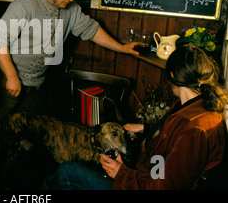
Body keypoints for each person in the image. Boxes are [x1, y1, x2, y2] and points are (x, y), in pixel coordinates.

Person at [47, 44, 227, 190]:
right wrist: (146, 129)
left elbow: (163, 185)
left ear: (172, 75)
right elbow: (170, 151)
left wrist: (122, 174)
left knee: (67, 171)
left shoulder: (195, 130)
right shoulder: (198, 105)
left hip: (142, 184)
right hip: (144, 176)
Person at [0, 0, 139, 126]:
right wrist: (11, 76)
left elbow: (92, 30)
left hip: (36, 84)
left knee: (36, 131)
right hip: (7, 81)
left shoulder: (72, 9)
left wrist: (123, 48)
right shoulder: (24, 6)